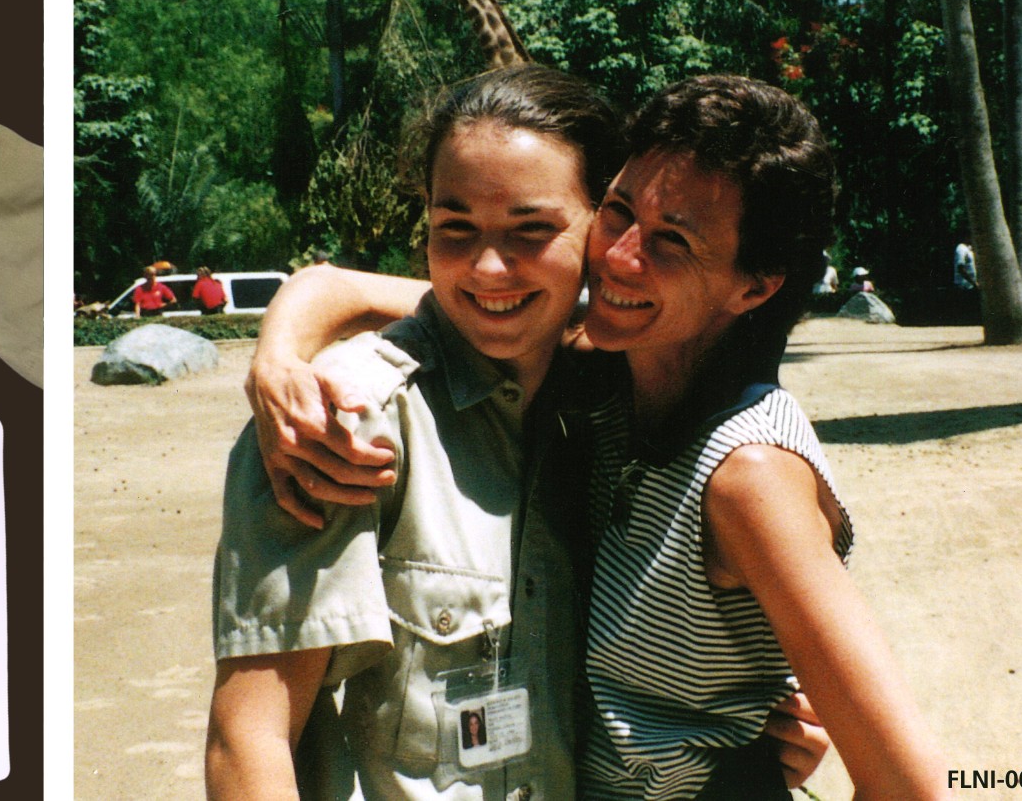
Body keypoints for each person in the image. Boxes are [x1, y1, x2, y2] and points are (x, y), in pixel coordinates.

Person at [245, 76, 950, 798]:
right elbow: (380, 292)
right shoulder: (606, 369)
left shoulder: (748, 476)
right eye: (618, 212)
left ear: (754, 286)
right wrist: (277, 359)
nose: (619, 258)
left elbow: (909, 784)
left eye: (672, 241)